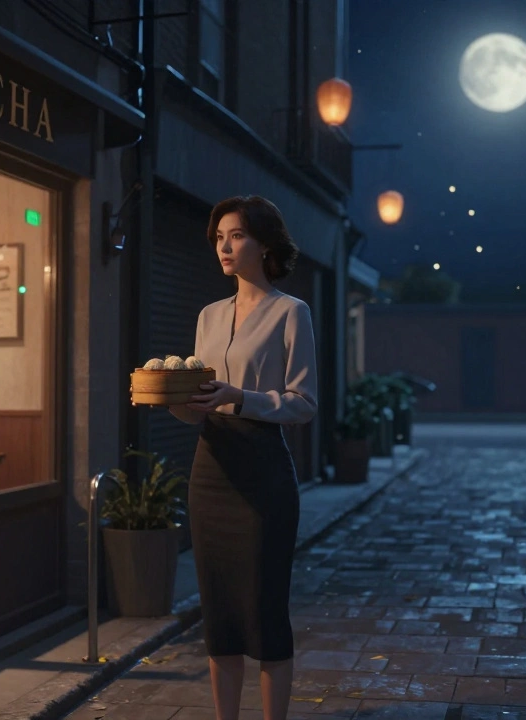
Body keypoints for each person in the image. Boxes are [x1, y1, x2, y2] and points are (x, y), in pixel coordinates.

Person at [168, 195, 318, 720]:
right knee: (221, 616)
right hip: (210, 470)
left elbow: (304, 404)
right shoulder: (208, 316)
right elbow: (199, 405)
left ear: (264, 243)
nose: (224, 247)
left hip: (263, 473)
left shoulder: (291, 312)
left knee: (265, 610)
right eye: (218, 237)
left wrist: (240, 398)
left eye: (236, 236)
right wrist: (172, 400)